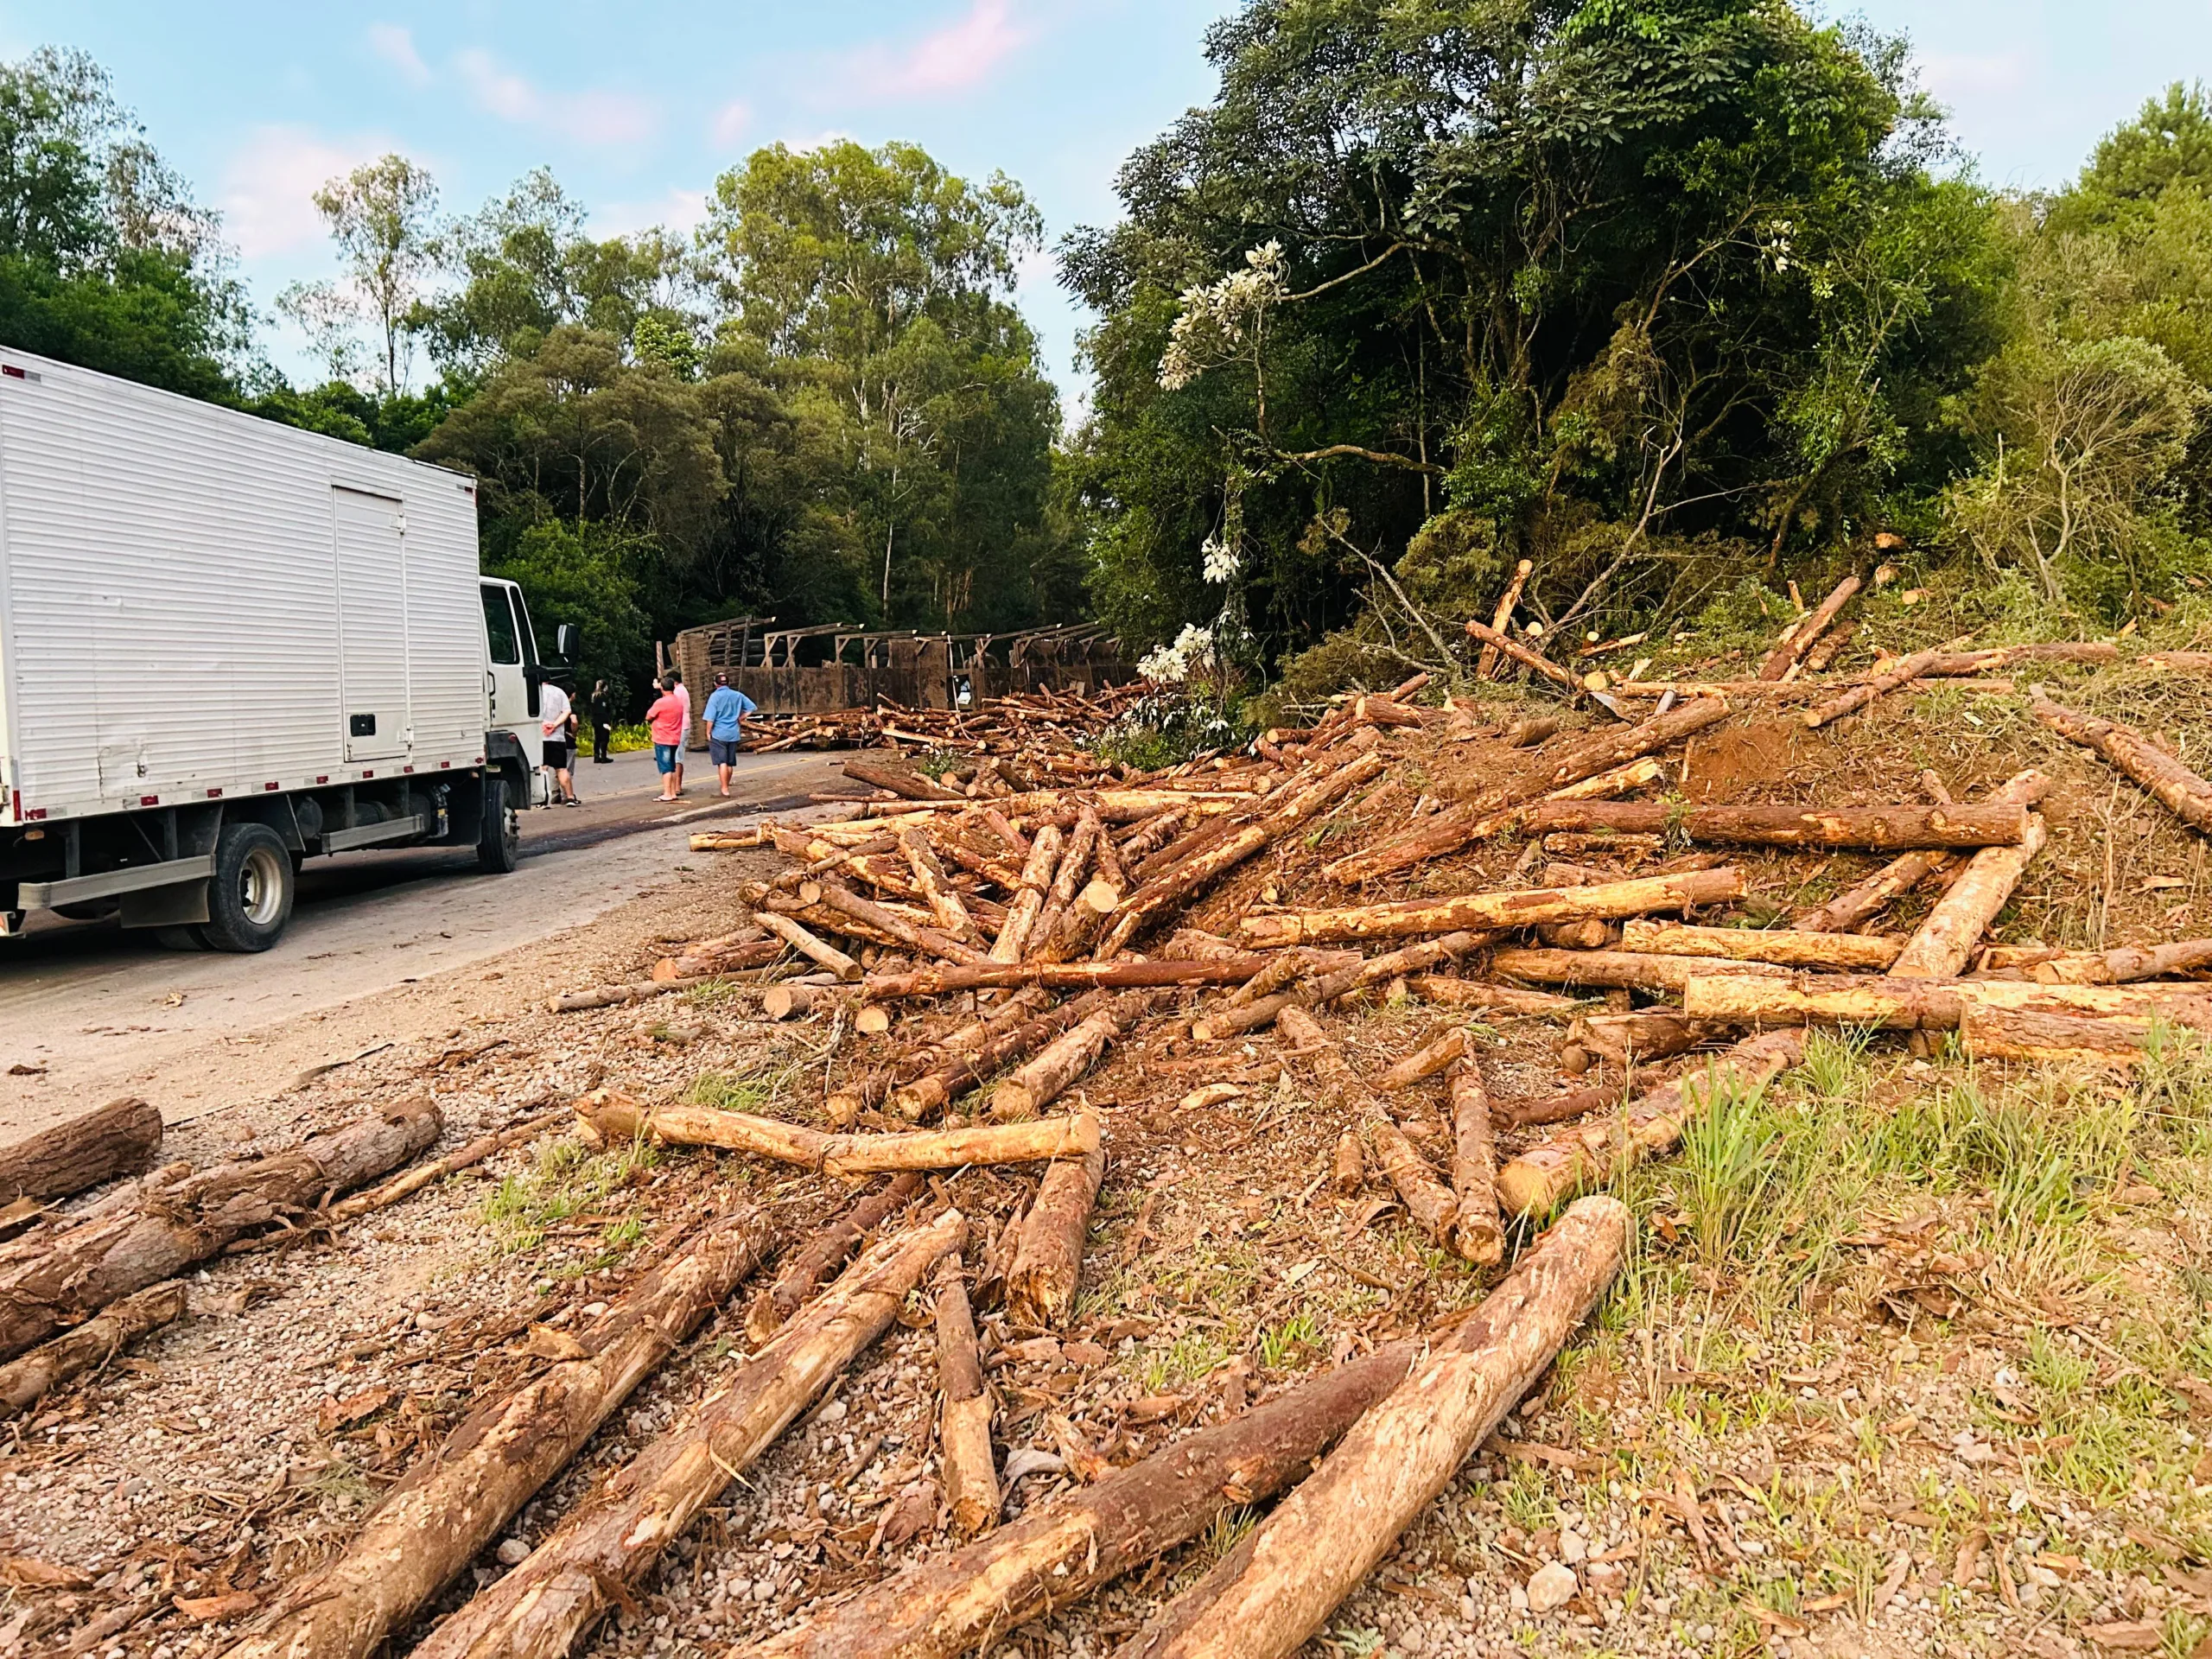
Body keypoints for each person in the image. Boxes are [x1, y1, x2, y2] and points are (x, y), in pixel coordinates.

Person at [701, 671, 759, 797]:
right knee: (730, 762)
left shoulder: (714, 697)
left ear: (715, 684)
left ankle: (724, 789)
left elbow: (710, 718)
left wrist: (708, 732)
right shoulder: (737, 695)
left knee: (722, 762)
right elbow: (752, 707)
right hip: (733, 733)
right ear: (728, 683)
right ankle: (726, 785)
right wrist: (740, 718)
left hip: (719, 733)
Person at [645, 675, 686, 801]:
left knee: (665, 767)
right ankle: (673, 792)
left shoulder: (661, 702)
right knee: (672, 765)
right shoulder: (678, 701)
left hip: (663, 737)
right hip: (675, 737)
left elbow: (649, 716)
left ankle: (667, 793)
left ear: (662, 688)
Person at [538, 677, 578, 806]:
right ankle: (570, 797)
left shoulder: (533, 691)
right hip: (557, 737)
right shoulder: (559, 692)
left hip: (539, 736)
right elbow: (567, 711)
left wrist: (543, 725)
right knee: (561, 769)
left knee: (542, 768)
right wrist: (554, 725)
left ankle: (543, 800)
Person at [669, 670, 691, 795]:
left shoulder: (677, 692)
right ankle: (677, 785)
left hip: (679, 725)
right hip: (685, 723)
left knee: (677, 757)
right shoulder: (683, 690)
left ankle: (677, 786)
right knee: (679, 755)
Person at [589, 679, 613, 764]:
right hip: (603, 720)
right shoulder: (603, 696)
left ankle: (596, 756)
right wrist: (607, 721)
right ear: (604, 686)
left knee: (597, 738)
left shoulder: (593, 696)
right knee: (604, 738)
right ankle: (603, 757)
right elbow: (604, 710)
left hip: (595, 720)